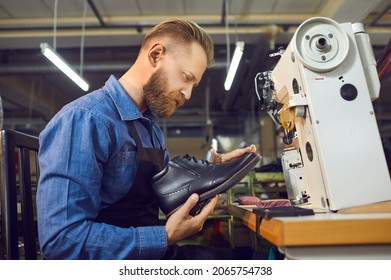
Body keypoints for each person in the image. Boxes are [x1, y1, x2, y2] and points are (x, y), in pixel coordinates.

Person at [36, 18, 257, 260]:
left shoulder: (149, 126)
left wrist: (210, 175)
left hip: (154, 257)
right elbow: (61, 239)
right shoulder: (85, 120)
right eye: (186, 77)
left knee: (250, 258)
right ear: (156, 55)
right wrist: (165, 237)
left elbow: (167, 198)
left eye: (193, 84)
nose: (188, 93)